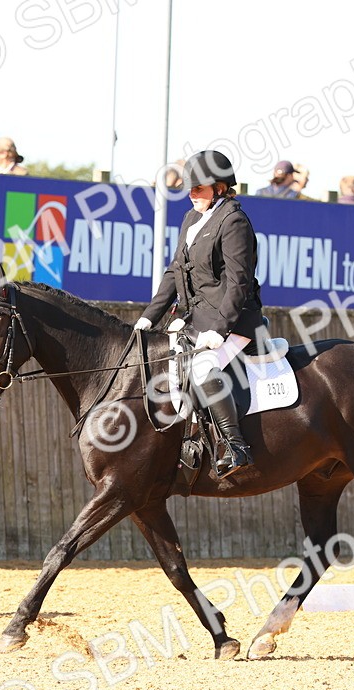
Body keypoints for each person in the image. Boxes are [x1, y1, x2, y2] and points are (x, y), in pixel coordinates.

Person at [134, 150, 262, 476]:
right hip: (195, 319)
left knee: (203, 368)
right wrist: (150, 315)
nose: (192, 194)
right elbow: (174, 271)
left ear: (220, 187)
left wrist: (221, 329)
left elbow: (239, 283)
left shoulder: (234, 221)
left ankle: (235, 448)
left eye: (199, 189)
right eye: (190, 189)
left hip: (235, 319)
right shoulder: (191, 219)